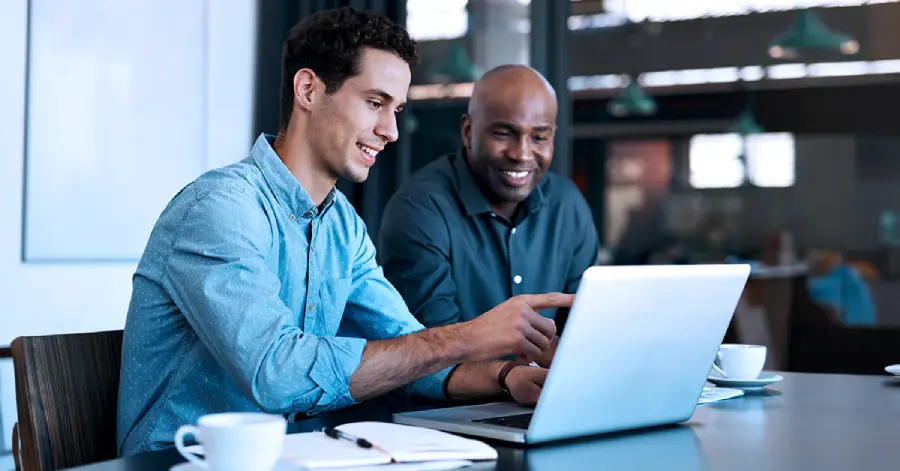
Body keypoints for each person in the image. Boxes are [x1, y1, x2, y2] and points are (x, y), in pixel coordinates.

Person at [116, 8, 571, 456]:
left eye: (396, 109)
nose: (390, 130)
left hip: (298, 457)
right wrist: (471, 335)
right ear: (309, 89)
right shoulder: (221, 209)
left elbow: (412, 355)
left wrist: (506, 377)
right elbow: (277, 374)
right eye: (375, 103)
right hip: (181, 461)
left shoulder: (342, 226)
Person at [378, 65, 600, 366]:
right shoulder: (420, 208)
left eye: (539, 137)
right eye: (504, 134)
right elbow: (431, 352)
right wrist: (513, 378)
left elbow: (586, 332)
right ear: (468, 132)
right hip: (440, 410)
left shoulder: (567, 205)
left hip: (541, 400)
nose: (522, 153)